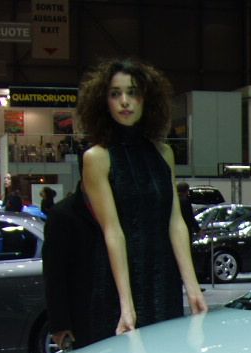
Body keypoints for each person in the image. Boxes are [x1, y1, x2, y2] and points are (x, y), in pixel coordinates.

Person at [77, 57, 206, 337]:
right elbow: (113, 231)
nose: (125, 101)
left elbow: (175, 222)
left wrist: (192, 288)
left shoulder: (163, 154)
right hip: (118, 280)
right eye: (115, 94)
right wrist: (126, 303)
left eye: (132, 92)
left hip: (163, 277)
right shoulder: (97, 158)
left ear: (146, 98)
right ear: (104, 101)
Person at [42, 182, 105, 350]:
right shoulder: (62, 215)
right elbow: (54, 274)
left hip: (112, 312)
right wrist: (60, 325)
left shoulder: (116, 208)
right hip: (82, 315)